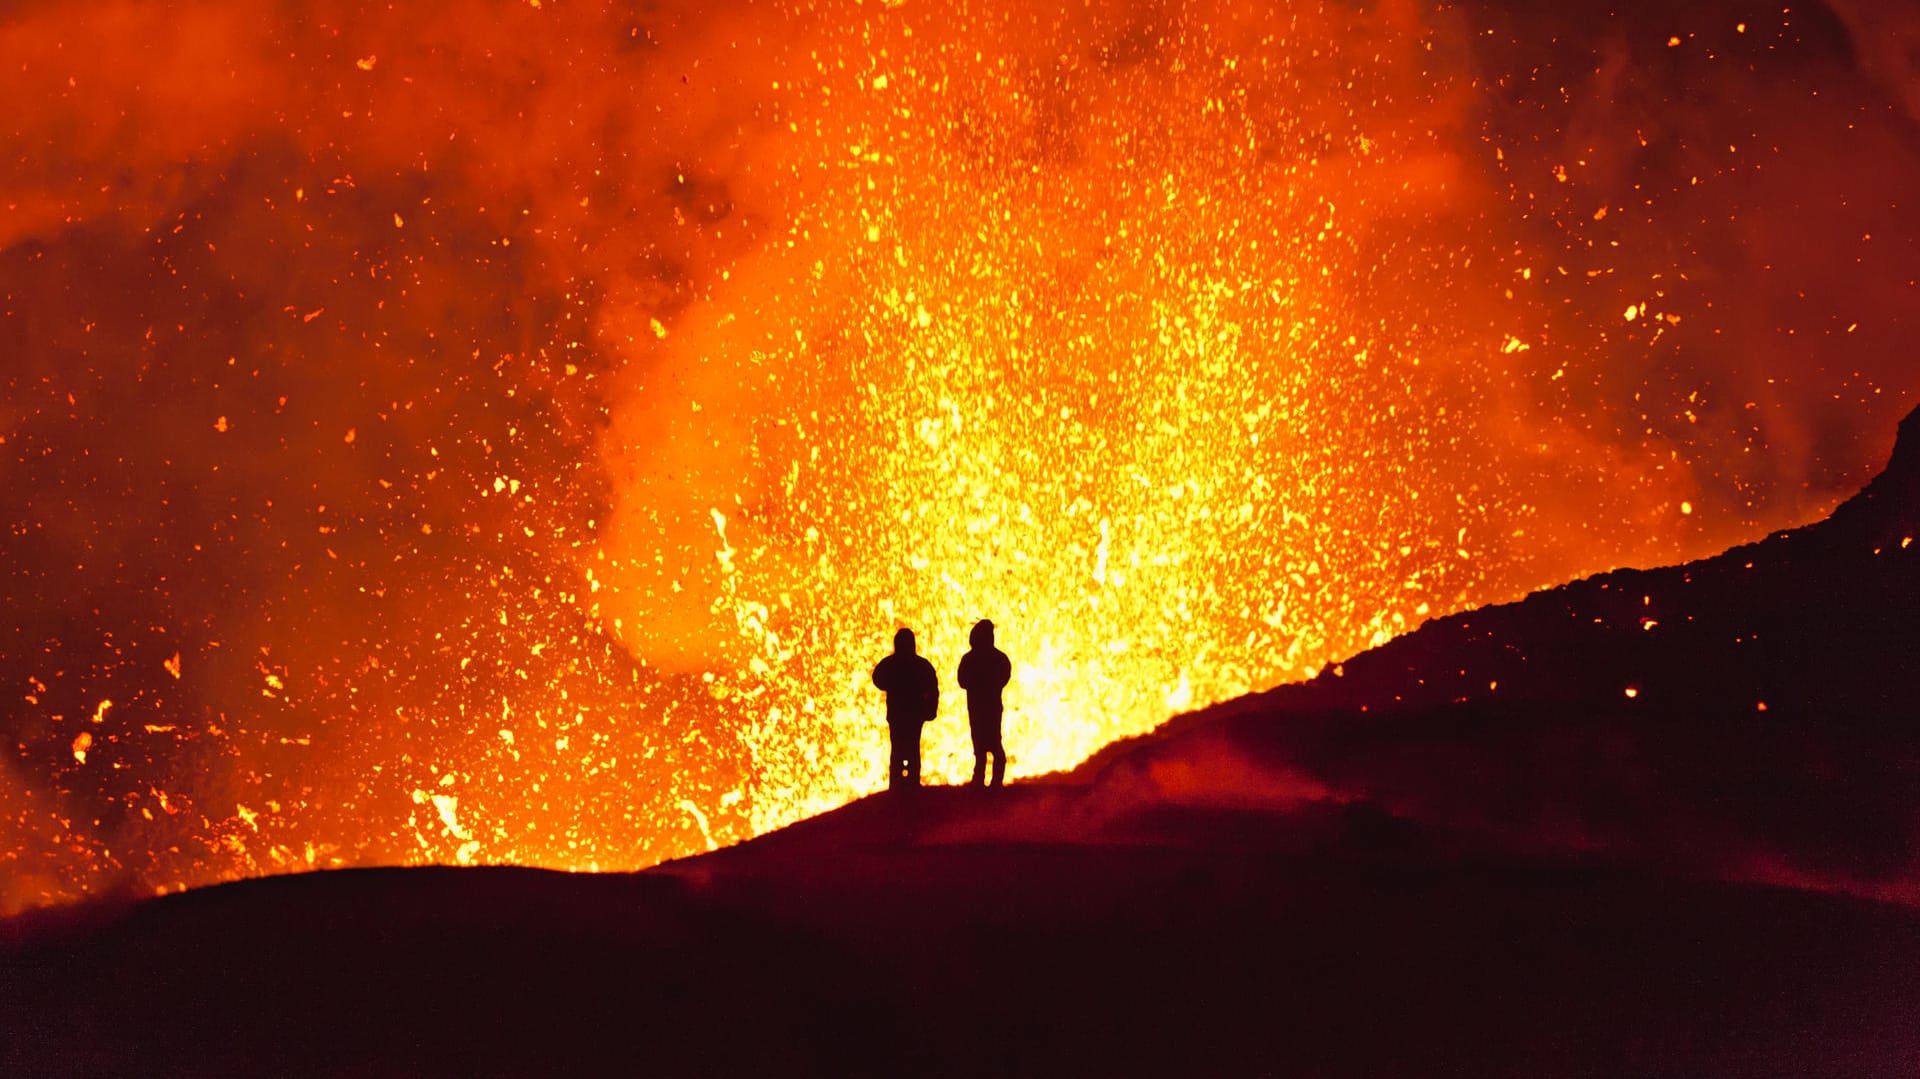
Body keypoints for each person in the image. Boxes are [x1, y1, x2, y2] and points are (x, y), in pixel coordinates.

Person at [871, 627, 938, 789]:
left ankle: (897, 783)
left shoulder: (891, 664)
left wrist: (892, 683)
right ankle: (912, 782)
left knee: (898, 748)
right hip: (915, 715)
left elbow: (877, 678)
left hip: (897, 714)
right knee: (912, 747)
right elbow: (933, 688)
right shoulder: (921, 665)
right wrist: (930, 709)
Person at [956, 618, 1012, 788]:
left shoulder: (969, 659)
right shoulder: (999, 658)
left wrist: (978, 686)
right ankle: (991, 781)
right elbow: (1004, 676)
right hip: (991, 706)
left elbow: (962, 681)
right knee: (989, 743)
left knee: (984, 745)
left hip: (978, 707)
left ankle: (981, 780)